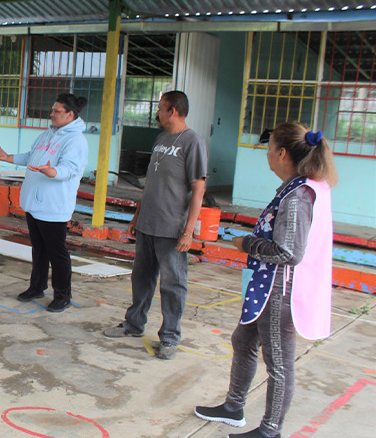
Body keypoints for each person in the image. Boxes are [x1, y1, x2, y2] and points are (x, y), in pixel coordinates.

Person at [194, 123, 336, 438]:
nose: (267, 154)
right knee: (244, 341)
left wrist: (247, 244)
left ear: (282, 153)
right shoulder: (297, 186)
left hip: (280, 291)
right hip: (266, 285)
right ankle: (233, 407)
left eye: (270, 148)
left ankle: (270, 431)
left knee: (279, 364)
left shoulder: (298, 196)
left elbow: (288, 252)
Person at [103, 90, 207, 358]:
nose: (157, 112)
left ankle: (170, 337)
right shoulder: (161, 139)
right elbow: (151, 183)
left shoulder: (192, 142)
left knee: (173, 284)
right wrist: (136, 216)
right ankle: (134, 324)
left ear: (173, 111)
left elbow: (198, 190)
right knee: (141, 278)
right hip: (148, 222)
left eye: (161, 108)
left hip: (171, 228)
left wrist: (188, 231)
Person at [0, 92, 88, 312]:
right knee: (39, 249)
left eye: (57, 111)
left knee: (57, 253)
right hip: (34, 204)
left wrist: (53, 172)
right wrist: (9, 158)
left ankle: (62, 295)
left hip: (53, 206)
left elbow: (71, 169)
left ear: (70, 115)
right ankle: (37, 286)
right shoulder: (47, 135)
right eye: (52, 110)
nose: (51, 114)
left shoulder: (75, 141)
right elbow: (31, 156)